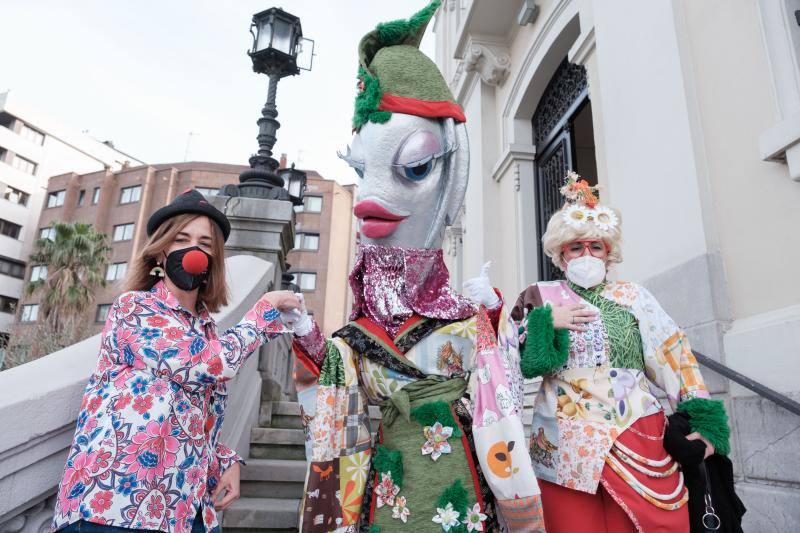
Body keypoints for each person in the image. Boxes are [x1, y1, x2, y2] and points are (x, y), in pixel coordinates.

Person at [289, 2, 544, 531]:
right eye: (360, 172)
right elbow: (336, 382)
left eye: (416, 165)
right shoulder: (358, 337)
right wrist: (308, 339)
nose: (366, 201)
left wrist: (496, 317)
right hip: (390, 480)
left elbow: (500, 396)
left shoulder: (466, 318)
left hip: (461, 472)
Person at [51, 189, 300, 533]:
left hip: (183, 506)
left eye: (205, 243)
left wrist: (222, 462)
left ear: (213, 259)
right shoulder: (135, 309)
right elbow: (206, 364)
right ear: (162, 249)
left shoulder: (208, 331)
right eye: (182, 238)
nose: (193, 250)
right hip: (114, 506)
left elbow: (191, 417)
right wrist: (264, 311)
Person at [513, 172, 730, 532]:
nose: (587, 254)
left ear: (609, 253)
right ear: (561, 253)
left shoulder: (634, 296)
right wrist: (545, 322)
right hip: (564, 443)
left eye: (595, 247)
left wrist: (705, 425)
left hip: (635, 431)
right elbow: (522, 363)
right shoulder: (538, 296)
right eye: (576, 247)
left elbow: (674, 354)